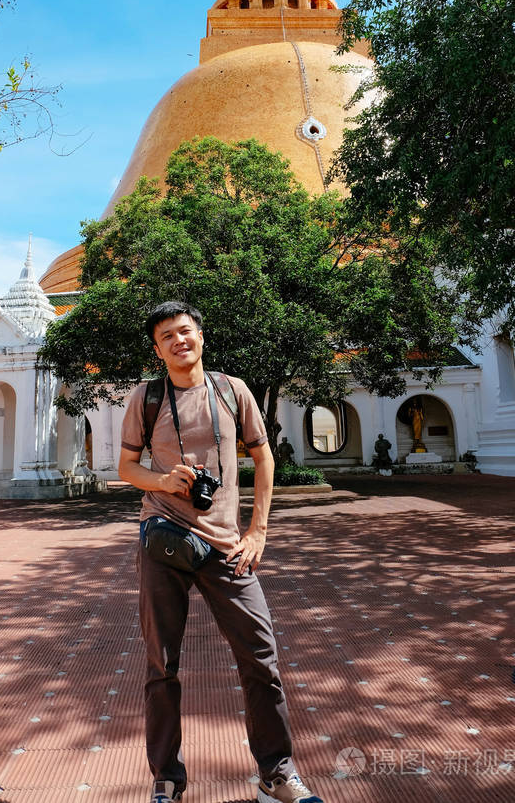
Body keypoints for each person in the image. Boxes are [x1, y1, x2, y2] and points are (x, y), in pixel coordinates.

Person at [119, 301, 323, 803]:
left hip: (228, 546)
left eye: (184, 331)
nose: (178, 341)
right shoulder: (146, 398)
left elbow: (263, 457)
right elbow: (126, 467)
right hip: (165, 538)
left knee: (260, 656)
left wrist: (258, 531)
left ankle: (276, 775)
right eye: (166, 336)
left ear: (201, 336)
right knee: (161, 664)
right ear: (157, 349)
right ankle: (166, 778)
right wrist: (162, 481)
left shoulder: (232, 391)